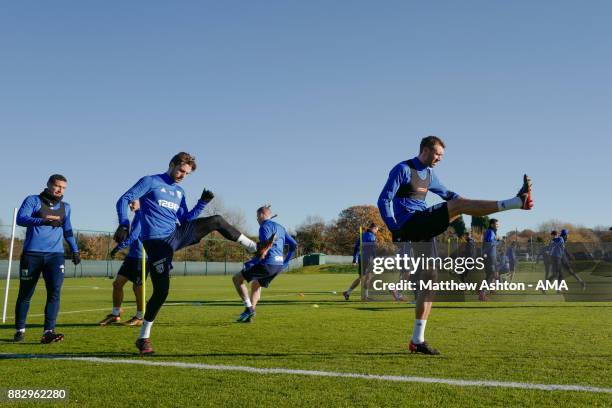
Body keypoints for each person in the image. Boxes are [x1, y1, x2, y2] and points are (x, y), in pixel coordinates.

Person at [377, 135, 533, 355]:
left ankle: (417, 340)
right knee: (458, 206)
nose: (440, 158)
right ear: (425, 150)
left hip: (423, 230)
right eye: (437, 154)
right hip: (410, 223)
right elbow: (383, 199)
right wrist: (394, 227)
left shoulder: (429, 174)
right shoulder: (402, 169)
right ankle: (516, 202)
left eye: (442, 155)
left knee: (430, 282)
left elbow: (449, 194)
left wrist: (467, 203)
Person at [114, 152, 257, 355]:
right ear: (172, 164)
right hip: (156, 243)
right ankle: (143, 338)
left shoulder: (179, 192)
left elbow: (185, 219)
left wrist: (202, 203)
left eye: (187, 173)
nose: (183, 175)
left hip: (175, 235)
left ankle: (254, 247)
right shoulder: (151, 181)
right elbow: (125, 198)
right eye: (181, 170)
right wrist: (123, 223)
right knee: (162, 292)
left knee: (215, 220)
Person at [13, 174, 81, 343]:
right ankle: (20, 329)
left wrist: (75, 250)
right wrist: (42, 220)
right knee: (26, 294)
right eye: (57, 186)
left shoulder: (66, 207)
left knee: (54, 293)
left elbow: (68, 230)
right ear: (49, 184)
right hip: (32, 254)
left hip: (55, 256)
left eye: (64, 188)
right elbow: (20, 219)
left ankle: (48, 332)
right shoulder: (33, 200)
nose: (60, 190)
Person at [232, 206, 297, 322]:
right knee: (256, 284)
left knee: (236, 279)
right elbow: (294, 245)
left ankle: (248, 309)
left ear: (262, 215)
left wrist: (252, 262)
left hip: (268, 263)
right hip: (278, 266)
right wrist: (286, 262)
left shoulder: (264, 227)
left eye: (257, 217)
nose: (257, 219)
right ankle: (250, 314)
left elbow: (265, 249)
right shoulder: (281, 228)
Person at [99, 200, 145, 326]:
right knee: (117, 284)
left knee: (137, 287)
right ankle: (115, 314)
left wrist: (118, 248)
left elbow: (134, 237)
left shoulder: (142, 215)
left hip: (142, 258)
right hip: (132, 257)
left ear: (141, 202)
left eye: (133, 202)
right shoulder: (137, 215)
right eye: (129, 203)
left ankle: (140, 317)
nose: (130, 205)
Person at [343, 223, 378, 300]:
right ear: (374, 228)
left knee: (361, 278)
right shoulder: (372, 236)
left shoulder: (363, 235)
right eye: (376, 230)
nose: (376, 232)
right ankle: (365, 296)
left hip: (361, 258)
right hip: (367, 259)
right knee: (368, 277)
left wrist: (354, 259)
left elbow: (356, 247)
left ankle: (347, 292)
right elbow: (373, 249)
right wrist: (375, 258)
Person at [480, 219, 500, 301]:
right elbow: (489, 244)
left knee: (494, 274)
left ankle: (488, 289)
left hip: (492, 257)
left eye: (498, 224)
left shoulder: (492, 232)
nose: (498, 225)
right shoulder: (490, 232)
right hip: (489, 257)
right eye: (497, 224)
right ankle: (482, 293)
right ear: (492, 225)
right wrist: (498, 241)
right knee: (491, 274)